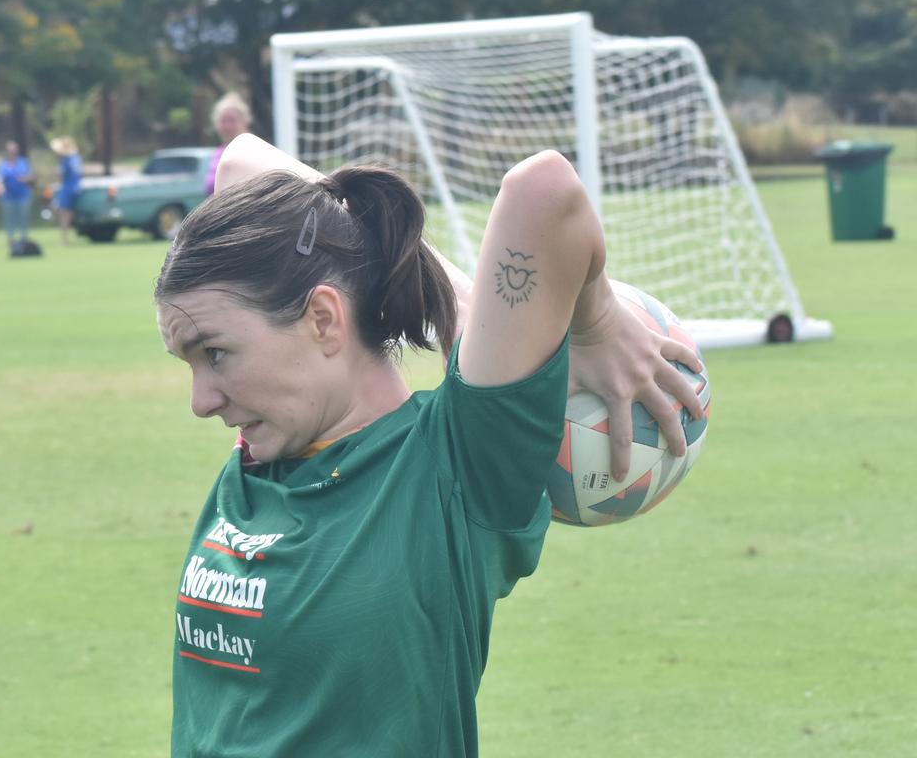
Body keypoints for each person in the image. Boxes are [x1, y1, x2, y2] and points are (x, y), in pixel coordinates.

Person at [156, 134, 703, 757]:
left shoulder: (452, 466)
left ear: (324, 320)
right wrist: (404, 277)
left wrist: (594, 320)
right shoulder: (264, 455)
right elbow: (242, 161)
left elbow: (543, 190)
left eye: (216, 354)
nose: (201, 401)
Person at [203, 92, 251, 195]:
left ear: (244, 122)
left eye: (232, 120)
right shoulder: (218, 153)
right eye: (223, 121)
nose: (227, 126)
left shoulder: (251, 151)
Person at [0, 140, 34, 256]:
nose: (12, 153)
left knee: (23, 218)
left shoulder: (23, 163)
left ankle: (24, 240)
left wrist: (25, 179)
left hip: (23, 196)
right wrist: (0, 187)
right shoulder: (3, 165)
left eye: (14, 151)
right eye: (10, 151)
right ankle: (11, 240)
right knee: (9, 220)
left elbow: (31, 177)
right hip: (8, 197)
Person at [50, 136, 82, 244]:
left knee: (63, 212)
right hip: (75, 187)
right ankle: (67, 235)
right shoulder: (76, 158)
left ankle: (65, 238)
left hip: (68, 187)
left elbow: (62, 177)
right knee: (67, 212)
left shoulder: (66, 161)